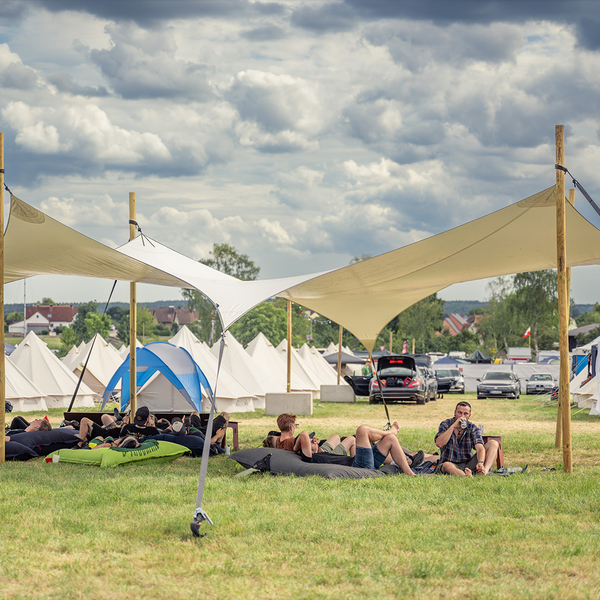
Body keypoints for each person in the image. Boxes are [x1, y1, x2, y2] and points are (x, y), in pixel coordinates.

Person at [435, 401, 499, 476]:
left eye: (465, 414)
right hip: (450, 463)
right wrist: (453, 426)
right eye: (459, 413)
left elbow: (480, 448)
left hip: (468, 463)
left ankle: (484, 472)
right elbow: (439, 443)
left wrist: (480, 462)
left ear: (469, 415)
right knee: (446, 465)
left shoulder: (473, 428)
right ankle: (465, 476)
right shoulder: (445, 424)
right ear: (455, 412)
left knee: (493, 443)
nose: (462, 416)